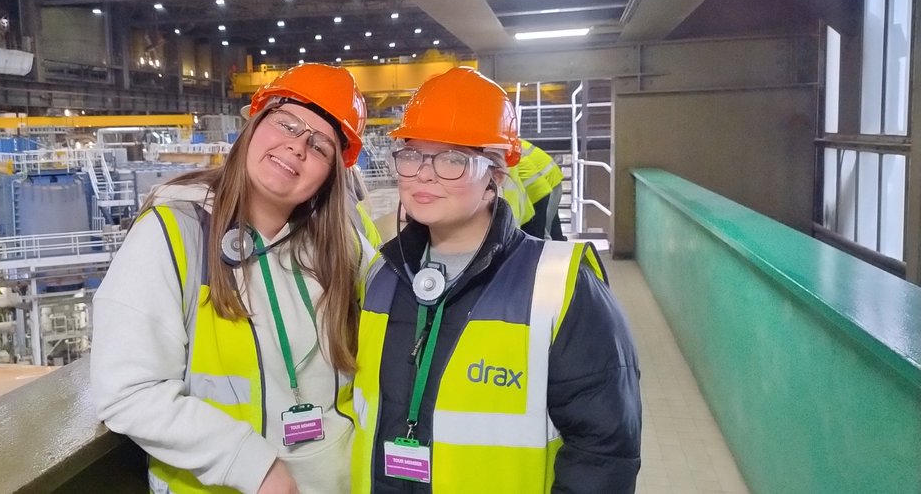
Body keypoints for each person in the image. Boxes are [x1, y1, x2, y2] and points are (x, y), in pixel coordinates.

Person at [346, 67, 641, 493]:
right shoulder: (382, 277)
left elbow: (604, 452)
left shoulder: (561, 288)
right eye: (412, 155)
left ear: (495, 177)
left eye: (452, 159)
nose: (424, 174)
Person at [91, 63, 373, 494]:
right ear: (254, 126)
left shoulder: (343, 245)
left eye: (319, 146)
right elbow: (128, 390)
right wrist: (252, 465)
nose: (297, 147)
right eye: (287, 123)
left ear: (332, 174)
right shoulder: (174, 234)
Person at [514, 139, 566, 240]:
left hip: (539, 190)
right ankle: (559, 250)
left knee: (539, 236)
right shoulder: (511, 142)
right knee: (550, 230)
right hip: (547, 181)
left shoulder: (503, 148)